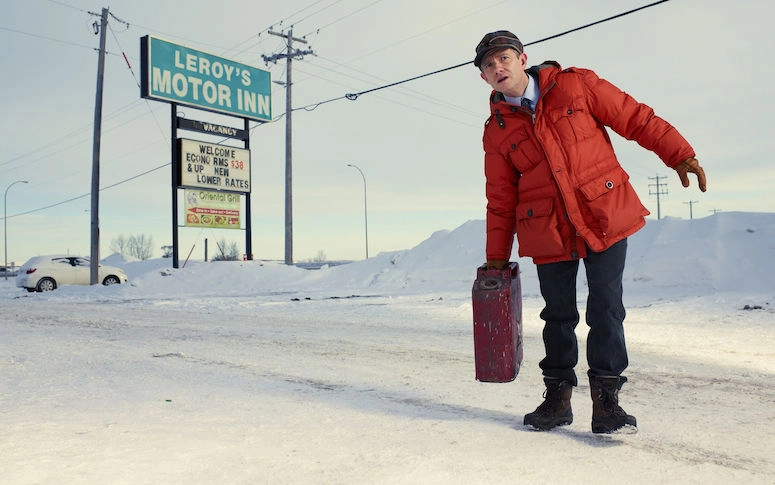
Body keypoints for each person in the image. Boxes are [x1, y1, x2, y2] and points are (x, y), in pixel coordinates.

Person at [474, 30, 707, 434]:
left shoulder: (576, 84)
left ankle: (607, 402)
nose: (498, 67)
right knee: (558, 316)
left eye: (505, 58)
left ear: (523, 58)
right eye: (488, 65)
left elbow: (635, 117)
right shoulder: (496, 130)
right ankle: (557, 399)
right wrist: (497, 257)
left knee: (607, 308)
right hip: (545, 228)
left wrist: (679, 153)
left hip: (604, 212)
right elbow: (500, 199)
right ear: (483, 78)